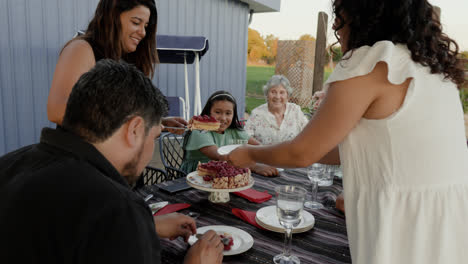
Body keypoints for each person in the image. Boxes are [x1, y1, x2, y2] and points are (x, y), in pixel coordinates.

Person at [226, 0, 468, 263]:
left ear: (364, 15)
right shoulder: (431, 70)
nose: (337, 28)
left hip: (402, 224)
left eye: (340, 15)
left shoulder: (373, 62)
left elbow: (303, 152)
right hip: (448, 223)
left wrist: (250, 154)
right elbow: (358, 149)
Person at [0, 60, 223, 264]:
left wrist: (147, 228)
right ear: (134, 129)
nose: (149, 153)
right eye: (154, 137)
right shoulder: (117, 209)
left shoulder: (10, 164)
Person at [46, 0, 186, 131]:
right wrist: (133, 125)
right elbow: (57, 110)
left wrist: (158, 122)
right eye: (136, 22)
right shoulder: (81, 49)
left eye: (146, 26)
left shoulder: (122, 61)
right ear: (112, 16)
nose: (143, 32)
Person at [181, 91, 279, 177]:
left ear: (233, 114)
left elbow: (259, 148)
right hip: (196, 176)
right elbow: (219, 157)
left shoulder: (234, 130)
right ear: (209, 112)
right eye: (218, 112)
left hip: (226, 174)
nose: (223, 118)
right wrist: (254, 166)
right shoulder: (200, 130)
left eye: (228, 113)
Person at [245, 75, 309, 145]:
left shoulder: (295, 110)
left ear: (287, 95)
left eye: (282, 92)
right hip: (264, 155)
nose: (277, 96)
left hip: (292, 155)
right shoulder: (257, 114)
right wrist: (261, 147)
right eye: (273, 92)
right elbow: (245, 137)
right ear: (267, 94)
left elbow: (308, 132)